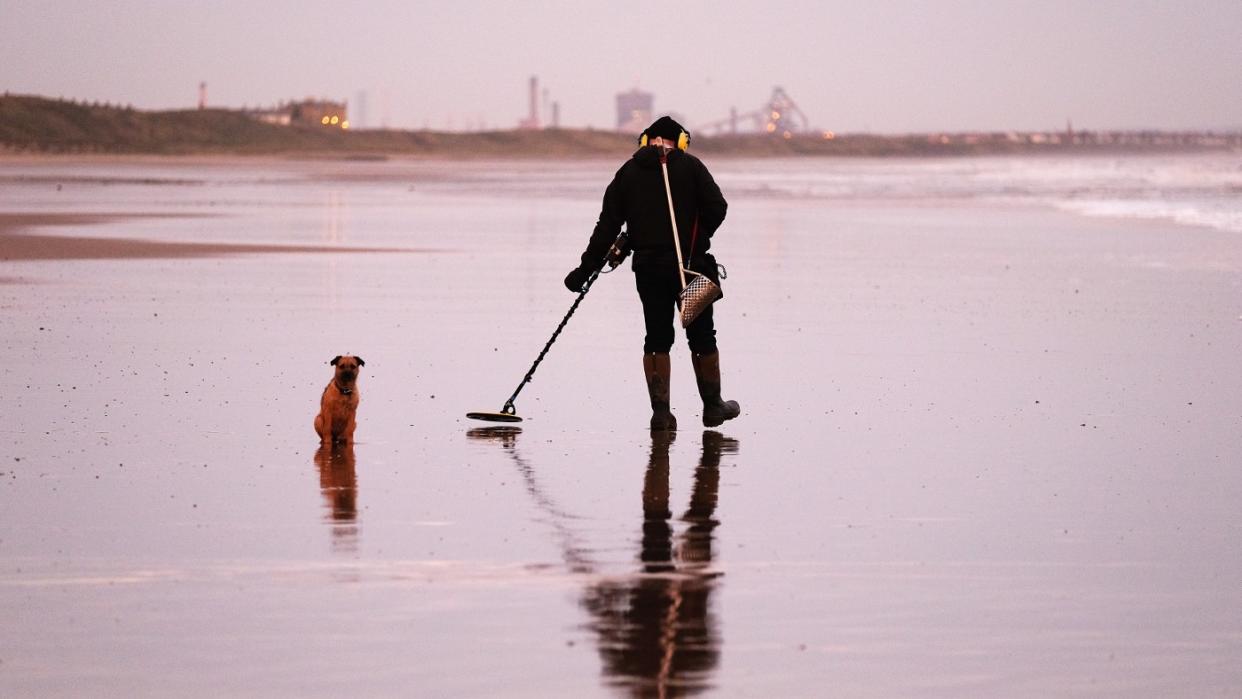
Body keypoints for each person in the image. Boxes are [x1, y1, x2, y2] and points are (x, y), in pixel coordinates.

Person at [563, 116, 740, 430]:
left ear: (646, 140)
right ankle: (713, 406)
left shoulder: (628, 173)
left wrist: (584, 270)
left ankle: (661, 414)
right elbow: (718, 207)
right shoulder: (692, 167)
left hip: (648, 270)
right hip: (692, 267)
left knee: (657, 339)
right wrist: (698, 239)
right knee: (701, 337)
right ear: (680, 142)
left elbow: (606, 228)